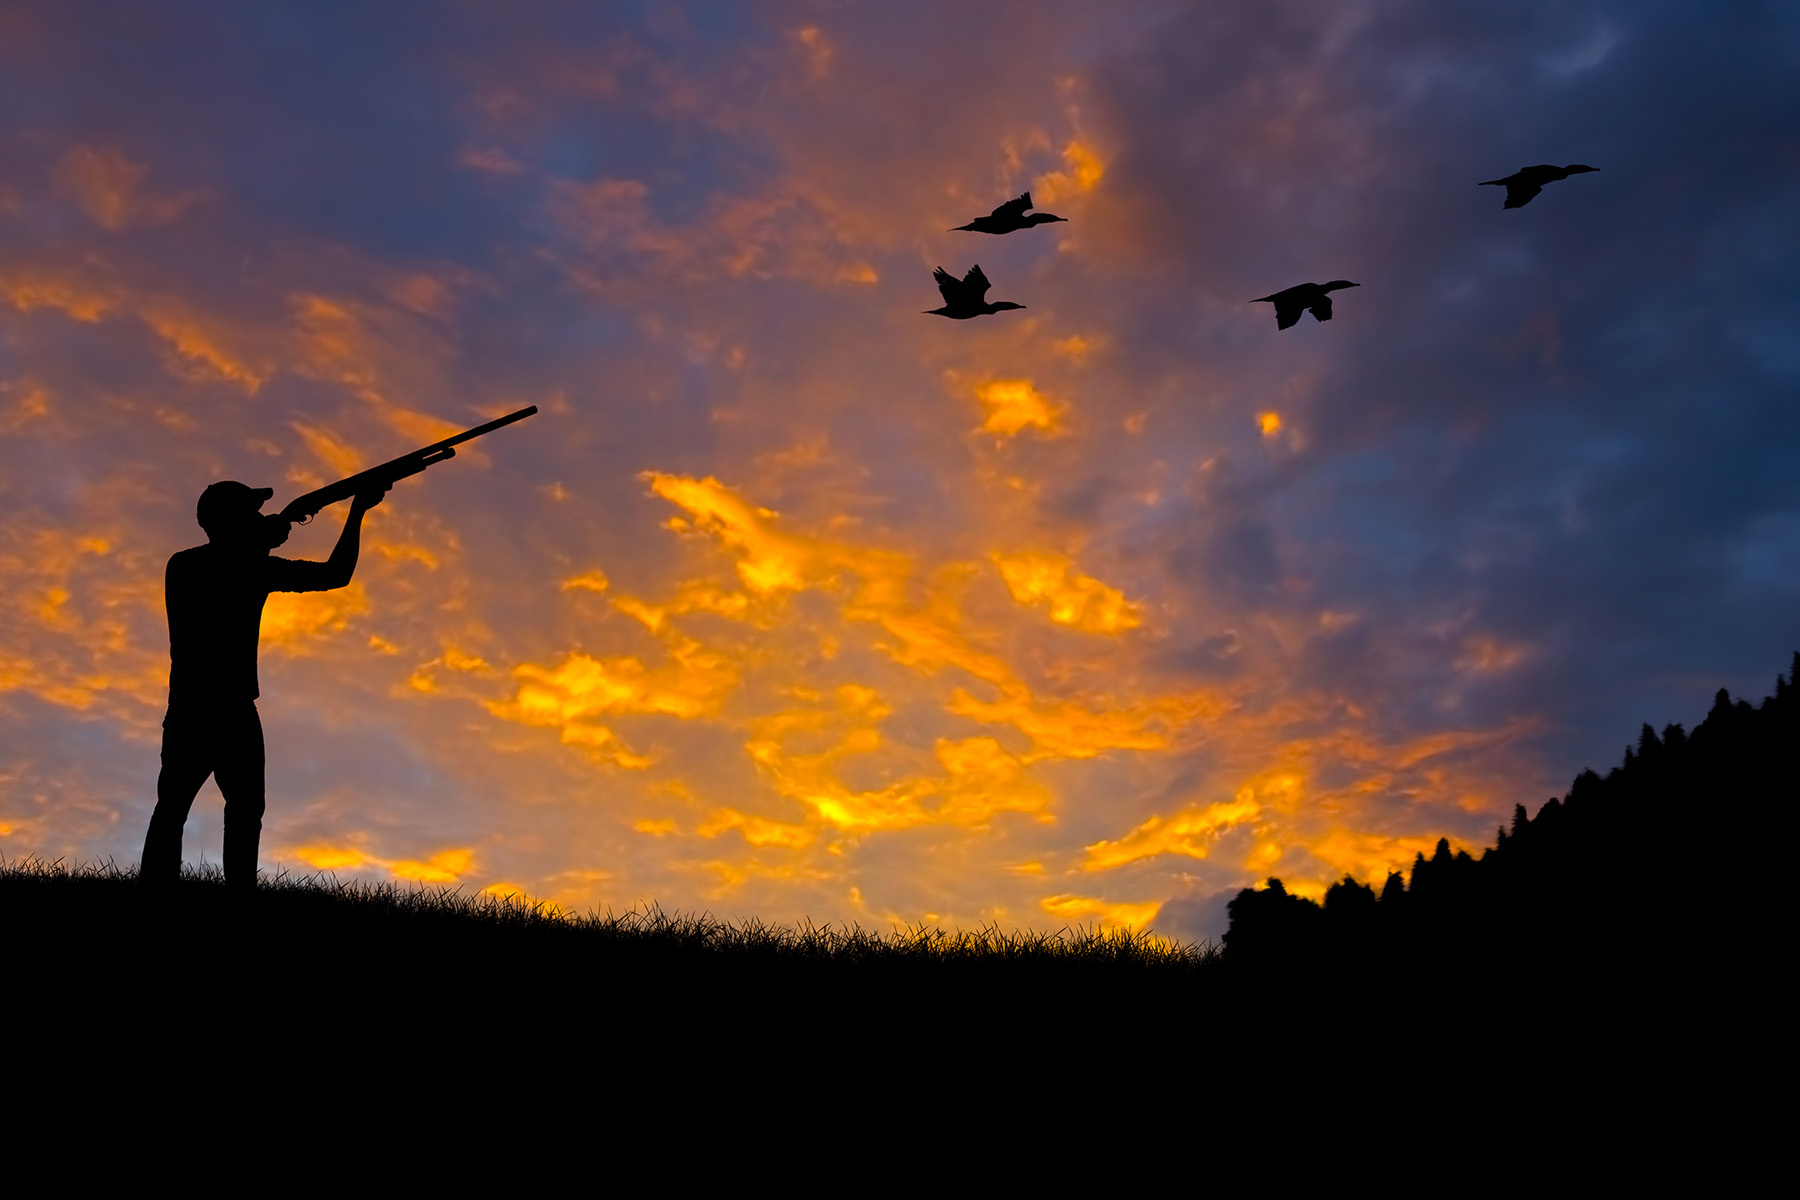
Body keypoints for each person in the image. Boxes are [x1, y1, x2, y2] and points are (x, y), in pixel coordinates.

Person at [139, 478, 388, 891]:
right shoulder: (194, 565)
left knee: (225, 808)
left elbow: (334, 575)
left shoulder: (208, 564)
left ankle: (221, 892)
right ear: (232, 521)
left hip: (204, 707)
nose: (260, 518)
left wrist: (353, 512)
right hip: (214, 707)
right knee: (188, 808)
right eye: (250, 513)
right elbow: (333, 573)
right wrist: (357, 511)